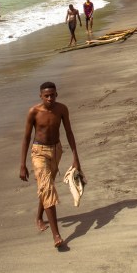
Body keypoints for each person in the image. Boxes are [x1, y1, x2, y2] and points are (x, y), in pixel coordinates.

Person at [19, 81, 85, 249]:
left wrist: (75, 157)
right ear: (40, 96)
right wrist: (22, 164)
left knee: (46, 186)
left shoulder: (62, 109)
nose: (50, 98)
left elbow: (69, 132)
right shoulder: (33, 112)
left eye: (52, 95)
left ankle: (39, 217)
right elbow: (26, 138)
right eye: (46, 96)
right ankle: (56, 235)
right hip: (38, 152)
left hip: (56, 151)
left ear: (57, 94)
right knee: (47, 188)